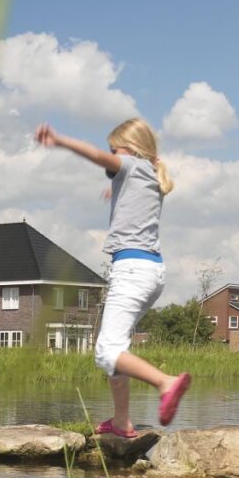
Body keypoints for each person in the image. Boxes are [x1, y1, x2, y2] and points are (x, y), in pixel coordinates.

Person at [34, 116, 190, 446]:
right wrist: (115, 191)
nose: (111, 155)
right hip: (151, 271)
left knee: (106, 351)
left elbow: (94, 155)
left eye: (114, 149)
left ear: (131, 148)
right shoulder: (149, 174)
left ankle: (165, 383)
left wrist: (60, 140)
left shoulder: (131, 165)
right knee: (117, 346)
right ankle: (122, 422)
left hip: (132, 269)